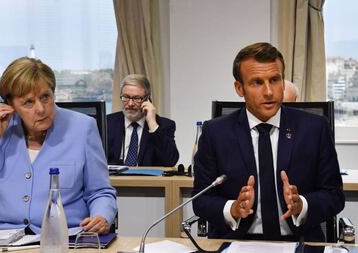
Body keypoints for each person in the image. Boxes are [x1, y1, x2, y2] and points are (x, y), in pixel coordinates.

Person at [192, 42, 344, 242]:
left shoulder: (315, 129)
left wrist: (302, 205)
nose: (269, 92)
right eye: (257, 82)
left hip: (299, 242)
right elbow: (201, 200)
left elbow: (334, 195)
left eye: (274, 80)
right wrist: (234, 209)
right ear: (239, 88)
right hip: (237, 242)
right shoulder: (215, 132)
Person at [0, 57, 117, 234]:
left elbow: (100, 191)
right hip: (1, 237)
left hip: (63, 237)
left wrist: (102, 216)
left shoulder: (83, 128)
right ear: (11, 105)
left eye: (45, 97)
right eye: (28, 102)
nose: (40, 108)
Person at [107, 74, 179, 167]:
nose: (130, 103)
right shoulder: (108, 123)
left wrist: (152, 124)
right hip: (115, 181)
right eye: (126, 97)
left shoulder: (164, 125)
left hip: (148, 181)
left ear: (147, 100)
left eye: (136, 98)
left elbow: (170, 161)